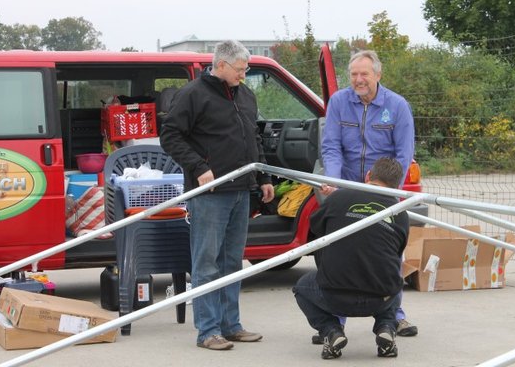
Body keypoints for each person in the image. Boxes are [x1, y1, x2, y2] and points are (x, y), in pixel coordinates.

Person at [160, 40, 274, 351]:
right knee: (207, 263)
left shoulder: (246, 95)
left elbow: (253, 137)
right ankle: (207, 331)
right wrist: (198, 167)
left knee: (232, 261)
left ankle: (231, 325)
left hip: (241, 189)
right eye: (240, 69)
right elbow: (169, 135)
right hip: (210, 193)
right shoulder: (193, 95)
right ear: (220, 65)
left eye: (246, 68)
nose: (244, 73)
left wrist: (262, 175)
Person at [319, 49, 418, 338]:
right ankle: (335, 320)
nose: (359, 80)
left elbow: (403, 153)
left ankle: (394, 315)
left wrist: (387, 192)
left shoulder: (397, 106)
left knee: (388, 253)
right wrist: (333, 183)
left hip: (383, 189)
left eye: (364, 74)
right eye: (354, 75)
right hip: (348, 187)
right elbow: (332, 147)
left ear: (377, 74)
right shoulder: (338, 102)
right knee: (338, 250)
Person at [293, 157, 409, 359]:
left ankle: (331, 331)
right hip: (380, 298)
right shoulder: (400, 212)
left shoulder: (339, 198)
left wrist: (335, 204)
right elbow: (398, 250)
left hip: (335, 296)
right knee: (394, 279)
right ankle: (386, 327)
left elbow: (316, 227)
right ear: (397, 185)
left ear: (368, 176)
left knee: (301, 288)